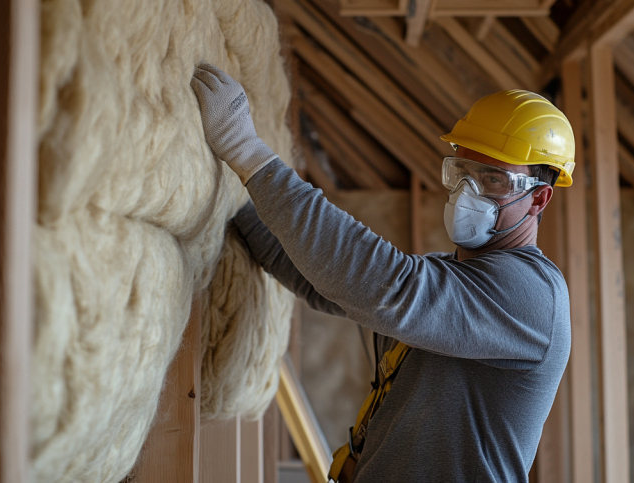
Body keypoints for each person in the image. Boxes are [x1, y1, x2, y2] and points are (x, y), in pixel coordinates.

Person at [191, 62, 574, 483]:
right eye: (461, 172)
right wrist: (235, 200)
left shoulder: (533, 295)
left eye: (493, 179)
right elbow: (325, 283)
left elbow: (387, 288)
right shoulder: (452, 280)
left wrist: (246, 151)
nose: (468, 191)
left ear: (538, 199)